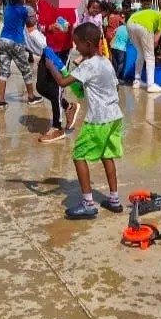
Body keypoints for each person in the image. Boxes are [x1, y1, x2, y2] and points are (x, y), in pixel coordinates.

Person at [44, 23, 124, 220]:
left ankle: (88, 204)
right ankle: (114, 200)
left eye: (77, 45)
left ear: (88, 44)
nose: (76, 48)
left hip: (98, 119)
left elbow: (63, 82)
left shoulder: (88, 65)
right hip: (114, 116)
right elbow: (115, 87)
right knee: (107, 155)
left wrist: (51, 66)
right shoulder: (105, 61)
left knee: (79, 155)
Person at [33, 0, 80, 141]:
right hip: (48, 48)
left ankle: (57, 127)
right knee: (41, 86)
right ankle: (68, 107)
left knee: (58, 86)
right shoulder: (42, 2)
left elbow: (75, 22)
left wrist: (68, 27)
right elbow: (40, 26)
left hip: (63, 49)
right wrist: (49, 27)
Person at [0, 0, 42, 110]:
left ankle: (1, 101)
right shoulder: (23, 10)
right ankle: (31, 97)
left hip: (3, 40)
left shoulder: (7, 9)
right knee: (26, 70)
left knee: (3, 71)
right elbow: (29, 24)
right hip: (16, 42)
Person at [126, 0, 161, 93]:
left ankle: (137, 82)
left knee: (140, 53)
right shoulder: (158, 15)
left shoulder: (137, 12)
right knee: (150, 56)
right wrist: (154, 43)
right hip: (144, 27)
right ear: (151, 3)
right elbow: (157, 36)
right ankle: (151, 85)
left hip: (130, 24)